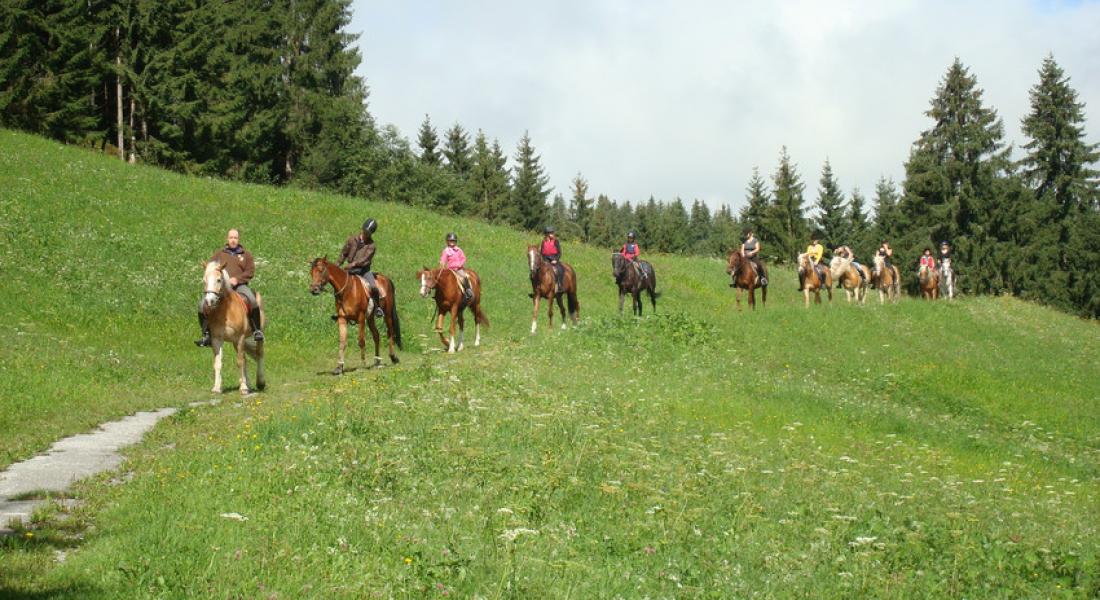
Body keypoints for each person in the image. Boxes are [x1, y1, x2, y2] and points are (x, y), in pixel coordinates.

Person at [196, 228, 263, 346]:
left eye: (235, 238)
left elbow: (250, 271)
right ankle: (207, 335)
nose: (233, 240)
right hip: (221, 288)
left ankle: (256, 330)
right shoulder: (220, 253)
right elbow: (210, 267)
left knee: (252, 300)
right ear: (227, 239)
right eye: (231, 238)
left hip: (239, 286)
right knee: (202, 305)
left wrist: (237, 279)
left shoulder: (246, 255)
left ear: (238, 239)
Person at [338, 218, 384, 317]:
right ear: (362, 229)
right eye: (365, 231)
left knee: (373, 287)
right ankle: (339, 308)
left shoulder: (372, 245)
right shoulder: (352, 239)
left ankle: (378, 308)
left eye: (368, 233)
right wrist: (338, 264)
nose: (366, 234)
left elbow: (365, 260)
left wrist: (353, 264)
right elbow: (344, 253)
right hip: (350, 270)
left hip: (363, 271)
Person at [439, 232, 473, 301]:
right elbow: (443, 260)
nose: (452, 242)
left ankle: (468, 290)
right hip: (450, 269)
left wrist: (460, 265)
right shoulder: (446, 251)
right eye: (450, 241)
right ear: (447, 241)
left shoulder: (459, 250)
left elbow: (463, 258)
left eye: (453, 241)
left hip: (458, 269)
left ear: (456, 242)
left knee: (464, 276)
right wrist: (442, 266)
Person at [540, 226, 564, 291]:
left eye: (552, 233)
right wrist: (543, 260)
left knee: (560, 269)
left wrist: (555, 260)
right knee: (536, 270)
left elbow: (559, 253)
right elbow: (541, 252)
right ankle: (536, 288)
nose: (552, 234)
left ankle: (559, 285)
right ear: (547, 234)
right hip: (545, 260)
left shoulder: (556, 241)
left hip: (554, 259)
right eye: (551, 233)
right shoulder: (543, 242)